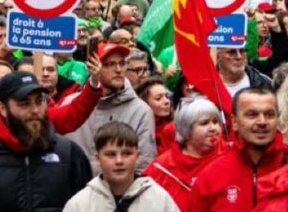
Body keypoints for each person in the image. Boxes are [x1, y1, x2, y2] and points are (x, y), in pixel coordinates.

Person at [0, 71, 94, 212]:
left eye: (39, 101)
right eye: (24, 104)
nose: (35, 110)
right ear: (2, 108)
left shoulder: (70, 155)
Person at [188, 87, 288, 212]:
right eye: (252, 114)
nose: (262, 121)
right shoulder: (211, 175)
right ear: (234, 121)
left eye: (269, 115)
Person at [67, 42, 157, 174]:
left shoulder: (140, 111)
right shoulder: (70, 104)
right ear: (92, 67)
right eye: (109, 64)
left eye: (122, 63)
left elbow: (144, 165)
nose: (118, 70)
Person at [63, 122, 178, 211]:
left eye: (127, 153)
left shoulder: (159, 199)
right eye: (111, 155)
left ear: (137, 155)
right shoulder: (80, 204)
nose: (119, 161)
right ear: (98, 159)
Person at [143, 97, 224, 210]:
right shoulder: (160, 169)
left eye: (216, 122)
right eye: (204, 123)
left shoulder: (231, 158)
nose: (213, 128)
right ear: (186, 131)